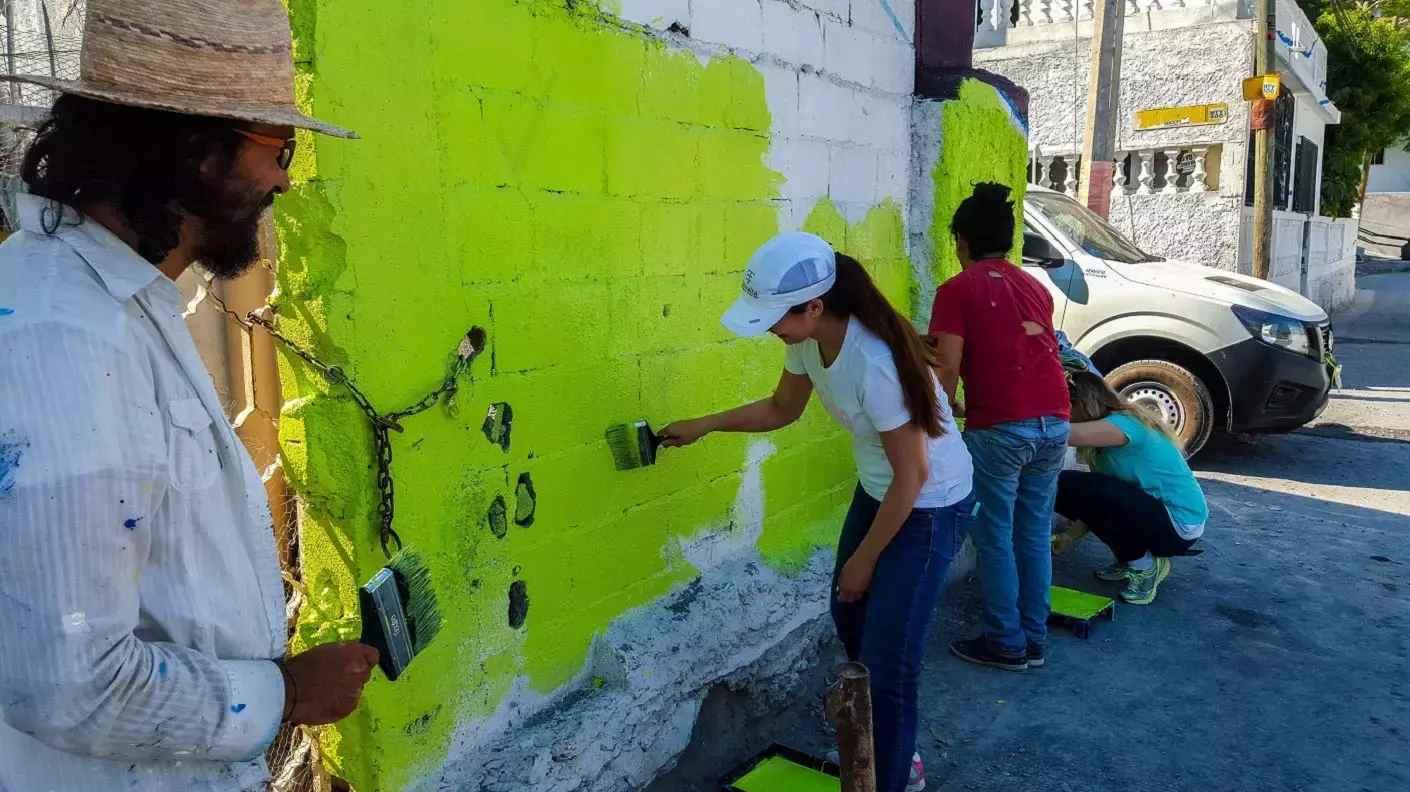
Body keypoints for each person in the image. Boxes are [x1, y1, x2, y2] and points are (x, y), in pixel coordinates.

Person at [0, 2, 378, 789]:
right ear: (189, 151)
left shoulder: (121, 304)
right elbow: (68, 679)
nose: (283, 176)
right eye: (277, 145)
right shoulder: (63, 335)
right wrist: (285, 694)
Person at [661, 232, 975, 792]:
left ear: (814, 307)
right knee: (849, 615)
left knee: (889, 666)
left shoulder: (873, 362)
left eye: (775, 317)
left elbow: (915, 476)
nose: (770, 330)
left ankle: (890, 772)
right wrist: (706, 424)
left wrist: (867, 558)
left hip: (929, 507)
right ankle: (884, 744)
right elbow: (783, 409)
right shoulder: (806, 342)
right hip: (881, 491)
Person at [929, 183, 1071, 672]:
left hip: (1002, 431)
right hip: (1055, 422)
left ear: (960, 242)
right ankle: (1032, 636)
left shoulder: (956, 290)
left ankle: (1006, 643)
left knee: (994, 536)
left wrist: (941, 417)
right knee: (1031, 534)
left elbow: (945, 369)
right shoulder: (1035, 288)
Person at [1050, 371, 1209, 605]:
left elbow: (1061, 434)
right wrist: (1068, 537)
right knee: (1076, 491)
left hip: (1179, 525)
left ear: (1082, 404)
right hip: (1158, 518)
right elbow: (1096, 507)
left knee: (1069, 484)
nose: (1063, 416)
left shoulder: (1123, 425)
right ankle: (1130, 559)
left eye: (1065, 409)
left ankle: (1145, 567)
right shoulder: (1105, 446)